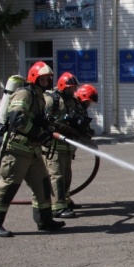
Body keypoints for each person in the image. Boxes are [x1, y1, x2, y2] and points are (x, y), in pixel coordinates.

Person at [0, 61, 66, 237]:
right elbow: (18, 119)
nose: (45, 83)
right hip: (17, 150)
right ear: (34, 79)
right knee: (8, 186)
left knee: (43, 185)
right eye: (42, 80)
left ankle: (44, 220)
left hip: (33, 150)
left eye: (47, 80)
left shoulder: (40, 97)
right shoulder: (24, 94)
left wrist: (47, 129)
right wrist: (38, 134)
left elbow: (38, 120)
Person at [44, 72, 82, 218]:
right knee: (56, 176)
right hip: (53, 145)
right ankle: (57, 207)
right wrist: (65, 128)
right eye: (69, 88)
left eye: (73, 88)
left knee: (66, 175)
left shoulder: (73, 101)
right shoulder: (52, 100)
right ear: (61, 86)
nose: (72, 91)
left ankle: (65, 201)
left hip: (66, 146)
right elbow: (45, 121)